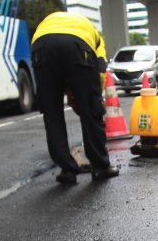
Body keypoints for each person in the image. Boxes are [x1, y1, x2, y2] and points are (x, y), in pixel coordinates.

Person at [31, 11, 118, 183]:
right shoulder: (96, 39)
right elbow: (99, 72)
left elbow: (59, 75)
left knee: (52, 112)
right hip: (76, 44)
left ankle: (67, 170)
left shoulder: (48, 23)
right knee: (91, 109)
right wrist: (93, 99)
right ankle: (100, 167)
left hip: (40, 45)